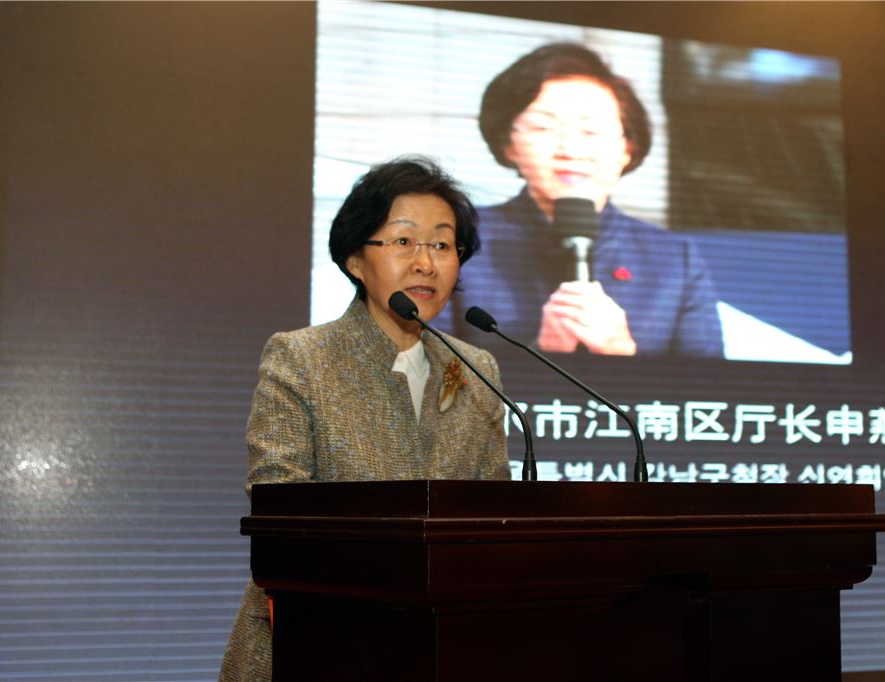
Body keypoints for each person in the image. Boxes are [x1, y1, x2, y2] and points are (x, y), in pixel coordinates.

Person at [219, 157, 510, 681]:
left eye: (443, 245)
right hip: (314, 641)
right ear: (356, 258)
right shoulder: (301, 358)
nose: (426, 263)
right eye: (404, 241)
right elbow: (279, 507)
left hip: (445, 647)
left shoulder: (476, 367)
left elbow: (494, 512)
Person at [444, 42, 724, 357]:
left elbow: (714, 384)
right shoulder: (454, 241)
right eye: (544, 128)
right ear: (508, 144)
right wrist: (542, 352)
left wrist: (624, 358)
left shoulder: (675, 260)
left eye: (590, 132)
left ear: (627, 148)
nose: (571, 150)